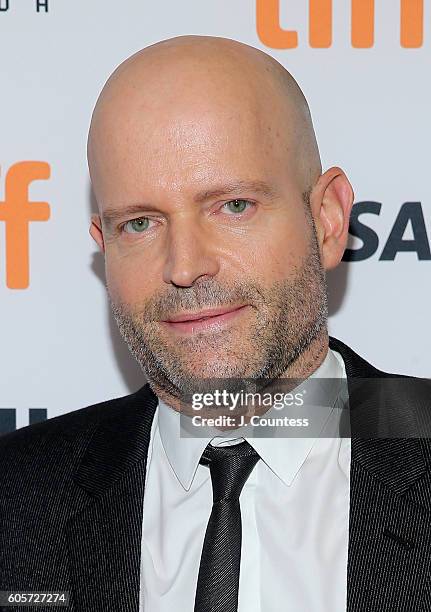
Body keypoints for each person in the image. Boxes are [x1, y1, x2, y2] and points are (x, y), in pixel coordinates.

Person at [1, 36, 430, 612]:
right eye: (140, 224)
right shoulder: (18, 496)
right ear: (103, 247)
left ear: (326, 220)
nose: (184, 266)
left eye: (233, 207)